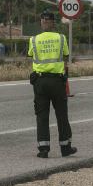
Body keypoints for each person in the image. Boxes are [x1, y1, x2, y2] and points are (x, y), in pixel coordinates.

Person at [28, 11, 77, 158]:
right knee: (62, 114)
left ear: (41, 22)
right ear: (53, 23)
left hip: (40, 81)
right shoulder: (61, 38)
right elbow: (66, 56)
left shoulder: (34, 39)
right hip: (57, 81)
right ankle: (65, 148)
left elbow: (31, 56)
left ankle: (43, 149)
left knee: (42, 115)